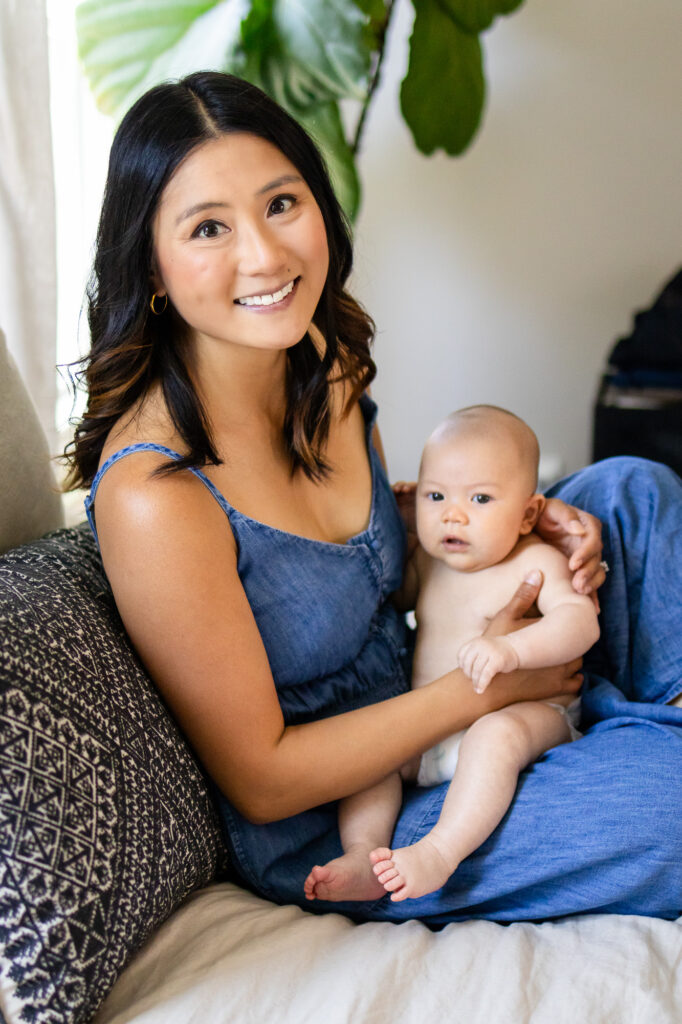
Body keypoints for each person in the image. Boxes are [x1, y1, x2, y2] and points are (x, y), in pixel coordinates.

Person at [65, 71, 682, 926]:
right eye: (209, 228)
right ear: (153, 267)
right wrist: (486, 692)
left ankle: (644, 718)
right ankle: (639, 743)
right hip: (358, 814)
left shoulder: (321, 355)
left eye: (282, 203)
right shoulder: (155, 493)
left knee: (631, 492)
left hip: (453, 670)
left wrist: (530, 521)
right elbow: (264, 777)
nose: (265, 256)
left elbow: (383, 573)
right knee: (667, 809)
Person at [305, 405, 599, 904]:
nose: (452, 514)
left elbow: (580, 622)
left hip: (529, 715)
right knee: (372, 753)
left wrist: (512, 648)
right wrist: (397, 528)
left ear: (529, 513)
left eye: (480, 498)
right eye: (435, 495)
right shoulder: (429, 560)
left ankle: (440, 851)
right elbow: (395, 597)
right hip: (433, 731)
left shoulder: (534, 560)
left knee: (495, 736)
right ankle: (364, 853)